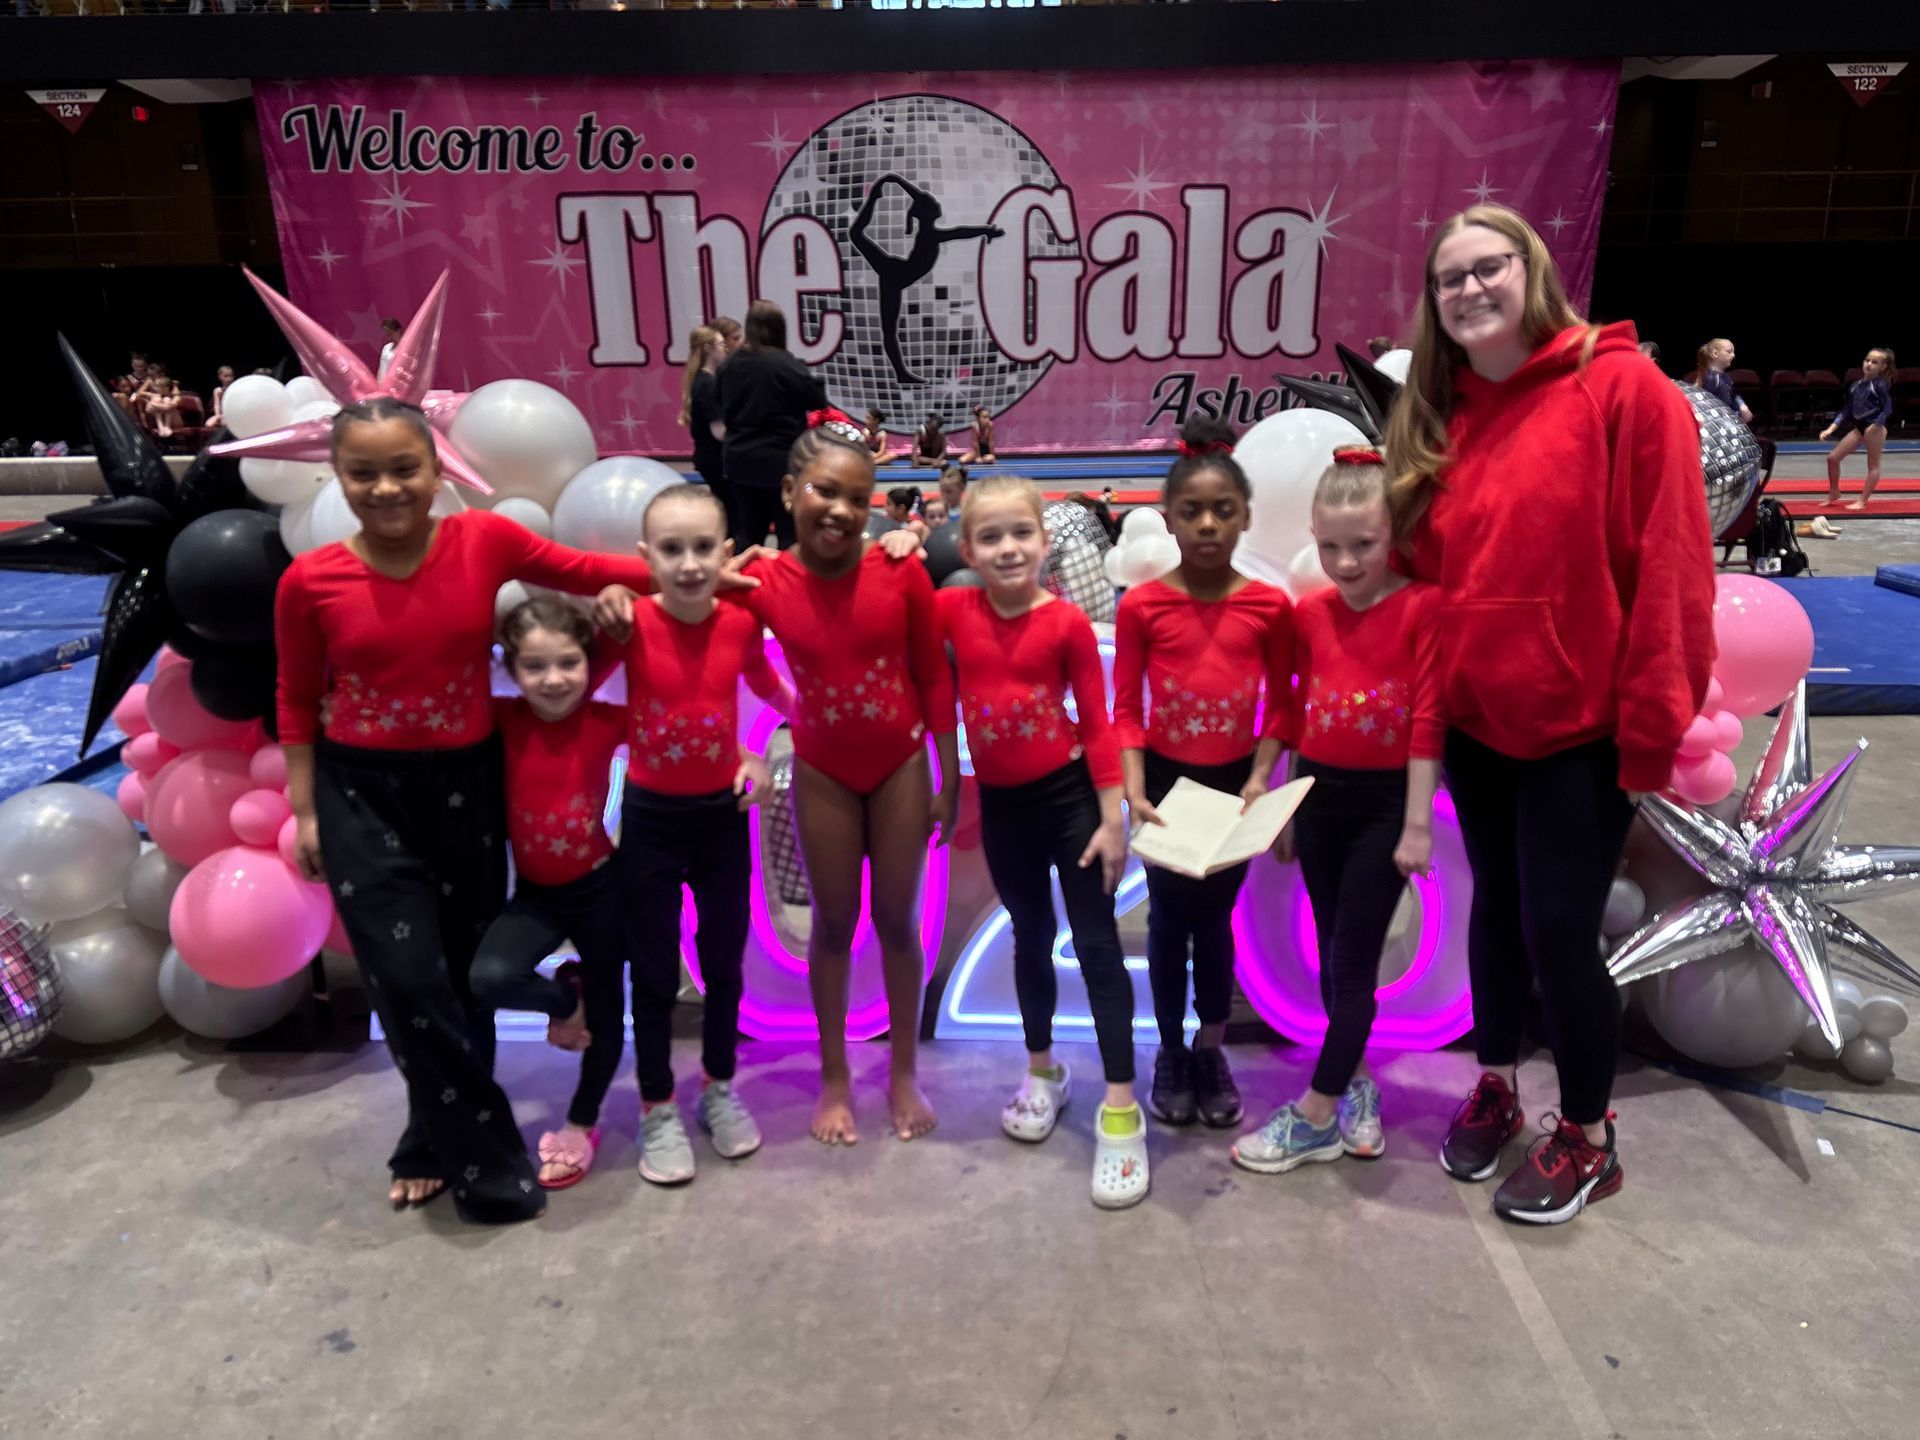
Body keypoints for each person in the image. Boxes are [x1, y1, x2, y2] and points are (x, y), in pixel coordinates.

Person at [1387, 204, 1713, 1225]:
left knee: (1562, 929)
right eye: (1450, 279)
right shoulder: (1454, 416)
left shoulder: (1625, 390)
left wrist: (1652, 725)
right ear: (1434, 307)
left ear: (1532, 270)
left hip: (1585, 727)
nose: (1470, 288)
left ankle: (1589, 1134)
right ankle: (1496, 1080)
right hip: (1487, 724)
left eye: (1490, 267)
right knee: (1495, 911)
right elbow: (1440, 582)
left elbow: (1670, 567)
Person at [275, 396, 665, 1224]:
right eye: (363, 473)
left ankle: (426, 1135)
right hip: (359, 791)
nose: (386, 489)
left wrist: (686, 575)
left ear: (437, 468)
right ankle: (485, 1159)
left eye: (404, 468)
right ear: (338, 478)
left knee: (458, 973)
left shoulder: (481, 540)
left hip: (464, 784)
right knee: (405, 977)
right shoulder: (310, 579)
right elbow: (296, 700)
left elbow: (586, 573)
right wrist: (306, 810)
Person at [598, 413, 950, 1147]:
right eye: (826, 491)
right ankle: (833, 1079)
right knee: (830, 923)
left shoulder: (900, 569)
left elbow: (933, 677)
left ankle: (904, 1072)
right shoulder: (760, 579)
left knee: (896, 922)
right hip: (820, 766)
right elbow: (678, 577)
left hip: (901, 764)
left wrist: (948, 772)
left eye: (859, 498)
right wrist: (615, 597)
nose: (842, 510)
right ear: (791, 491)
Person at [1231, 446, 1441, 1176]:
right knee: (1333, 951)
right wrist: (1276, 794)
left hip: (1385, 809)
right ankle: (1357, 1084)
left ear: (1395, 537)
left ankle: (1316, 1112)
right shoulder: (1311, 614)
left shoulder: (1420, 606)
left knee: (1351, 962)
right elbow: (1290, 710)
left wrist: (1417, 824)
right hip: (1319, 799)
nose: (1347, 563)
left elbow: (1426, 721)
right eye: (1330, 548)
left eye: (1364, 546)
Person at [941, 476, 1145, 1209]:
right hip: (1004, 807)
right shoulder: (954, 610)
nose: (1007, 548)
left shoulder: (1063, 625)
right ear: (966, 549)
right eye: (990, 537)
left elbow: (1098, 724)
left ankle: (1121, 1104)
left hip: (1069, 804)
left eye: (1020, 534)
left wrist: (1113, 816)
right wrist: (899, 545)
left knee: (1094, 945)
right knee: (1031, 938)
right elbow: (885, 603)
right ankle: (1042, 1072)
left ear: (1044, 540)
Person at [1114, 416, 1294, 1131]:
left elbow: (1284, 704)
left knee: (1216, 925)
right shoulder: (1145, 605)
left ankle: (1210, 1049)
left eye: (1224, 511)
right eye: (1192, 511)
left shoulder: (1268, 605)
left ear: (1245, 516)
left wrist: (1259, 779)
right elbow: (1126, 706)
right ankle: (1169, 1052)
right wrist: (1132, 788)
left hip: (1229, 788)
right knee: (1167, 924)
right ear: (1170, 517)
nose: (1209, 525)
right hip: (1165, 787)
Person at [611, 485, 792, 1185]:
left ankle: (719, 1088)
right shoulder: (626, 622)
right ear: (645, 558)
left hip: (721, 817)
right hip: (652, 821)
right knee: (654, 975)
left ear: (725, 552)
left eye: (701, 549)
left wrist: (808, 724)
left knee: (723, 969)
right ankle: (657, 1104)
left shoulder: (740, 621)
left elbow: (767, 684)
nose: (688, 564)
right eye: (670, 549)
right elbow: (575, 694)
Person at [466, 597, 627, 1191]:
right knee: (488, 978)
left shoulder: (608, 720)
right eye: (535, 667)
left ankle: (582, 1126)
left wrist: (739, 755)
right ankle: (567, 998)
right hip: (535, 896)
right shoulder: (501, 718)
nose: (554, 680)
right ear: (510, 669)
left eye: (568, 663)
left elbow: (674, 728)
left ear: (590, 663)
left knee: (608, 1022)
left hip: (600, 891)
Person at [850, 174, 1002, 385]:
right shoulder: (930, 235)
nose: (939, 205)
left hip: (896, 273)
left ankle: (902, 374)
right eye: (935, 204)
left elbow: (919, 197)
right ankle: (901, 374)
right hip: (896, 274)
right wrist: (985, 230)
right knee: (855, 235)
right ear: (929, 213)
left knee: (856, 235)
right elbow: (959, 232)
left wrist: (894, 179)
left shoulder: (928, 230)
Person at [714, 300, 827, 552]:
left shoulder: (730, 364)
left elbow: (719, 400)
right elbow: (817, 400)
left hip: (740, 460)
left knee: (749, 535)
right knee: (790, 535)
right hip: (780, 461)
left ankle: (746, 586)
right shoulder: (784, 363)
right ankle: (789, 589)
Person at [680, 316, 743, 530]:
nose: (725, 349)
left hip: (712, 458)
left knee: (731, 513)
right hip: (715, 460)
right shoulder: (707, 384)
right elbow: (719, 432)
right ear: (708, 349)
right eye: (721, 345)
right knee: (732, 516)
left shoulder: (705, 380)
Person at [1821, 348, 1896, 510]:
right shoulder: (1855, 386)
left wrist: (1876, 425)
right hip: (1860, 427)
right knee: (1832, 458)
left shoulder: (1880, 385)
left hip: (1876, 427)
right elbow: (1847, 410)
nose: (1869, 364)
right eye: (1867, 360)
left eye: (1874, 362)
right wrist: (1831, 428)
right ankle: (1834, 491)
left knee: (1873, 465)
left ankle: (1862, 501)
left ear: (1883, 367)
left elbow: (1888, 408)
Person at [208, 365, 236, 431]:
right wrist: (218, 415)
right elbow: (216, 404)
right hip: (221, 414)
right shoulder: (217, 390)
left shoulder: (234, 389)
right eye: (225, 376)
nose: (228, 378)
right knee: (209, 424)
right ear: (220, 377)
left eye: (230, 376)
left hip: (231, 414)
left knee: (224, 423)